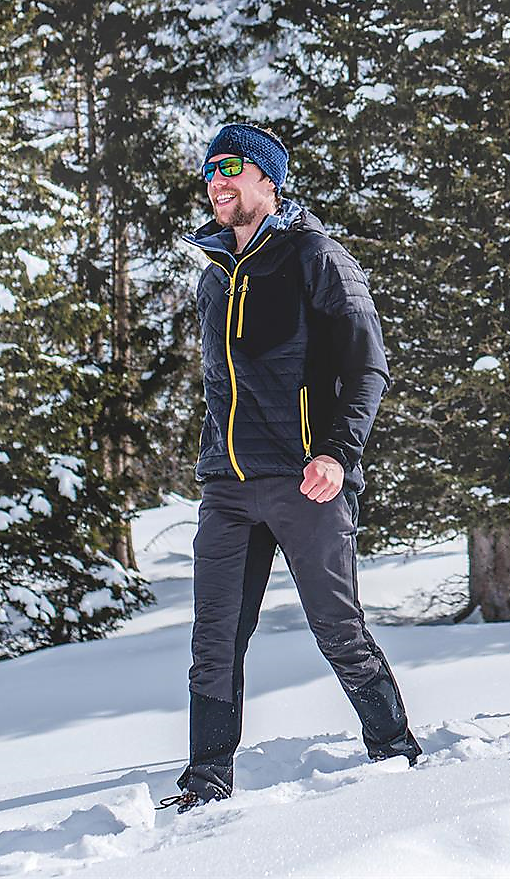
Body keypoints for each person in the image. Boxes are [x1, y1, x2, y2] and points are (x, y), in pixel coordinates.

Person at [164, 122, 419, 811]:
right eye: (211, 168)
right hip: (228, 484)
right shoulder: (213, 277)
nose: (218, 178)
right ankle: (206, 783)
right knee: (213, 637)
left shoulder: (315, 256)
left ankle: (395, 750)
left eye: (233, 167)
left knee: (337, 627)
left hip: (307, 479)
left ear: (268, 182)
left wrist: (338, 452)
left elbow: (368, 366)